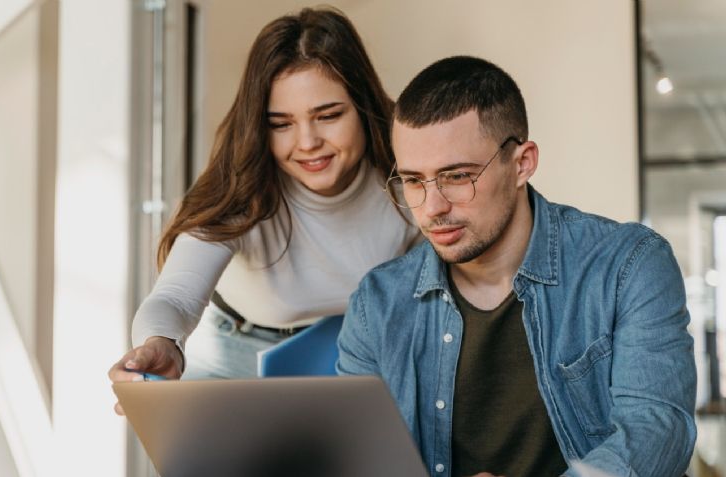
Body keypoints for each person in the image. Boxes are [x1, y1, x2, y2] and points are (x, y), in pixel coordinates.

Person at [337, 56, 696, 477]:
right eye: (414, 181)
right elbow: (357, 459)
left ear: (522, 163)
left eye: (457, 176)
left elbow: (656, 432)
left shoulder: (628, 265)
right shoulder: (376, 305)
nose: (432, 207)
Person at [108, 7, 419, 404]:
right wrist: (160, 344)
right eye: (281, 124)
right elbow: (174, 298)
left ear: (362, 105)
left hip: (353, 351)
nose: (307, 142)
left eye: (328, 116)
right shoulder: (242, 186)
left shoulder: (410, 179)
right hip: (230, 351)